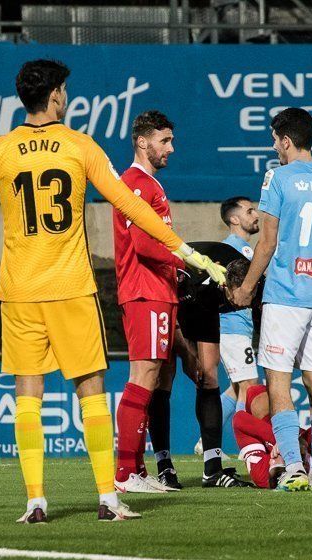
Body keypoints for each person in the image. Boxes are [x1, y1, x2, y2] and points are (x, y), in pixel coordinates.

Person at [0, 60, 225, 523]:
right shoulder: (78, 146)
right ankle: (108, 500)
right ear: (54, 96)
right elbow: (129, 203)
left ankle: (35, 501)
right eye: (64, 90)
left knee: (28, 394)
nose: (66, 97)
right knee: (91, 389)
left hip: (19, 291)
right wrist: (187, 251)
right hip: (70, 287)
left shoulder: (0, 150)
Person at [230, 108, 312, 492]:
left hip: (286, 295)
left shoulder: (277, 177)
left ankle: (293, 467)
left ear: (286, 140)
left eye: (275, 140)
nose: (274, 146)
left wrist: (245, 289)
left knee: (278, 381)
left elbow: (267, 243)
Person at [112, 110, 184, 494]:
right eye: (165, 140)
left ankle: (134, 471)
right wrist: (184, 259)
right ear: (143, 141)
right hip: (146, 290)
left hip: (154, 290)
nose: (170, 148)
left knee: (149, 377)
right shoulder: (139, 183)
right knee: (143, 377)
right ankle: (126, 474)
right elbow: (143, 243)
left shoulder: (145, 183)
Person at [174, 247, 257, 487]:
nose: (242, 306)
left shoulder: (247, 286)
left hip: (205, 302)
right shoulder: (199, 284)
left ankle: (212, 470)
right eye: (238, 299)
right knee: (160, 377)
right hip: (167, 296)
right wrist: (188, 355)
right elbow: (178, 318)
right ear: (227, 287)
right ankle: (153, 467)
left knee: (208, 378)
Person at [233, 384, 312, 489]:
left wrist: (285, 441)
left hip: (294, 440)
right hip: (310, 449)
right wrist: (293, 441)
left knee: (254, 392)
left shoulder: (262, 471)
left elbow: (240, 419)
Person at [216, 197, 260, 433]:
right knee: (250, 387)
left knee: (236, 387)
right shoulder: (232, 249)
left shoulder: (241, 249)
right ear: (234, 219)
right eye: (250, 211)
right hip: (232, 327)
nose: (256, 215)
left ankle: (207, 439)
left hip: (239, 327)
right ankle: (249, 443)